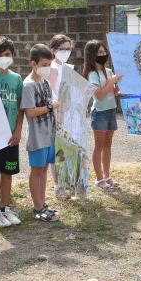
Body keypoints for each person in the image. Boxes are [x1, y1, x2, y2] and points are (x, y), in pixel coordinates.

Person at [0, 36, 24, 228]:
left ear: (13, 56)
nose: (3, 57)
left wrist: (18, 130)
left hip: (10, 136)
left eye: (7, 54)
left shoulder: (16, 79)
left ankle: (5, 207)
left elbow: (20, 108)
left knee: (7, 173)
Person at [22, 44, 61, 223]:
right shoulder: (28, 85)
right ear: (33, 63)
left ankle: (43, 203)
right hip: (37, 137)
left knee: (44, 169)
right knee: (36, 170)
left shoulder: (45, 82)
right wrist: (51, 106)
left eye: (49, 64)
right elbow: (30, 112)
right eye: (44, 64)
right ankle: (37, 208)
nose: (47, 68)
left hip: (49, 134)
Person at [82, 40, 122, 192]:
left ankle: (107, 176)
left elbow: (114, 92)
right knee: (99, 146)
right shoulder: (92, 74)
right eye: (99, 52)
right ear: (91, 55)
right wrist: (111, 82)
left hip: (111, 110)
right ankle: (99, 179)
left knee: (108, 146)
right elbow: (99, 96)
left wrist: (116, 86)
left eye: (104, 51)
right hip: (99, 113)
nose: (103, 54)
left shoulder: (109, 71)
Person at [46, 34, 74, 200]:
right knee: (58, 151)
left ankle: (67, 180)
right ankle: (58, 185)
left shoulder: (69, 68)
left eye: (68, 49)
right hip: (56, 115)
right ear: (53, 50)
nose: (65, 52)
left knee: (68, 149)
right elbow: (50, 93)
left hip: (70, 115)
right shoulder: (50, 69)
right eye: (62, 49)